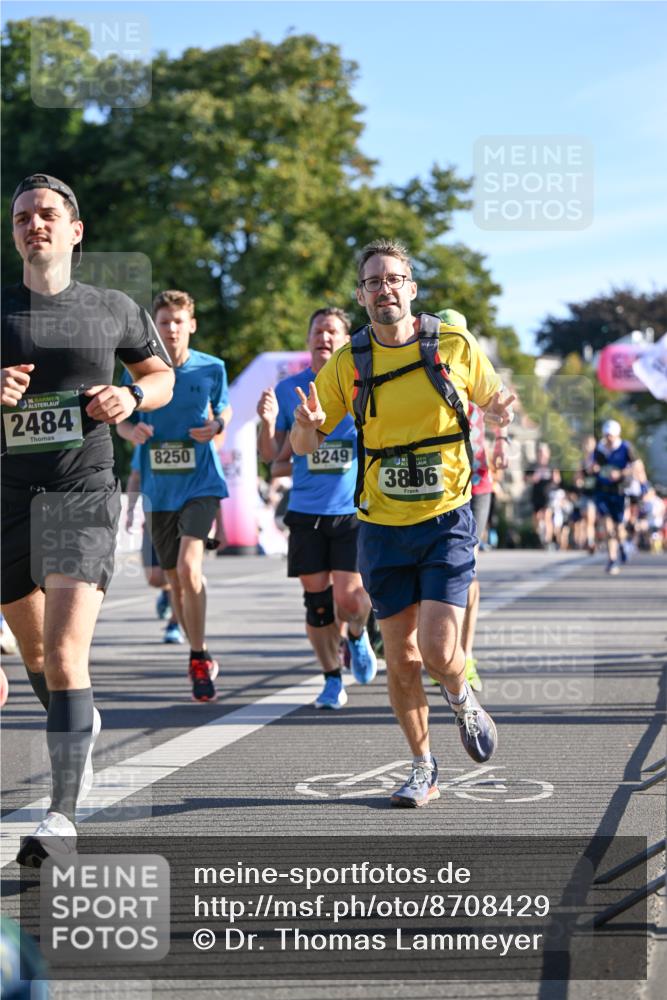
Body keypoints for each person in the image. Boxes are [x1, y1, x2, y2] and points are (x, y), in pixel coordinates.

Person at [290, 239, 514, 806]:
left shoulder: (455, 344)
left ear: (411, 289)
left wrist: (503, 420)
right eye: (372, 282)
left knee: (439, 653)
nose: (383, 289)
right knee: (401, 658)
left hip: (446, 518)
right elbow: (305, 443)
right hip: (382, 527)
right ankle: (423, 766)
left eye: (393, 279)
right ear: (362, 296)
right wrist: (307, 425)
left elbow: (495, 403)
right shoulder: (349, 362)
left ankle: (463, 698)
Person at [2, 173, 174, 866]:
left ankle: (61, 816)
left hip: (83, 491)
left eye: (46, 214)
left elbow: (160, 378)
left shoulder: (110, 307)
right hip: (8, 499)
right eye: (21, 218)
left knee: (68, 654)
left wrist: (130, 398)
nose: (33, 224)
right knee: (40, 655)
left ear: (75, 230)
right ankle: (79, 726)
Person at [257, 307, 377, 710]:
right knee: (318, 604)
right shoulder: (291, 388)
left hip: (351, 511)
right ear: (308, 339)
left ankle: (358, 636)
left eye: (333, 332)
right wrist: (266, 422)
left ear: (345, 341)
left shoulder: (360, 388)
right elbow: (273, 458)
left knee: (349, 600)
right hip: (306, 512)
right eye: (318, 331)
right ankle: (330, 678)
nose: (324, 338)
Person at [117, 289, 231, 701]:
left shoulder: (212, 368)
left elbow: (225, 410)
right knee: (171, 580)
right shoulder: (139, 372)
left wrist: (217, 426)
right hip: (159, 489)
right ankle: (197, 648)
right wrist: (134, 431)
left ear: (191, 325)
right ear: (155, 327)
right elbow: (121, 424)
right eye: (163, 322)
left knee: (187, 567)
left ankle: (198, 656)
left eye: (177, 322)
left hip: (201, 484)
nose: (171, 329)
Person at [436, 309, 509, 693]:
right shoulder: (426, 367)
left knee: (469, 570)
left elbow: (502, 413)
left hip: (478, 483)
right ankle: (438, 649)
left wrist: (503, 445)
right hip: (440, 486)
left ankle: (465, 655)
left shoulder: (474, 366)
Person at [125, 447, 185, 644]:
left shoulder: (193, 433)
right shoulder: (146, 441)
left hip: (185, 514)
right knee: (155, 577)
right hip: (155, 515)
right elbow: (136, 476)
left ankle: (174, 625)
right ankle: (168, 592)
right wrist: (131, 509)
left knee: (180, 574)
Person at [587, 419, 638, 575]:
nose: (609, 439)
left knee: (619, 527)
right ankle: (612, 559)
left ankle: (622, 544)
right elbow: (591, 467)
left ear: (617, 435)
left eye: (611, 436)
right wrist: (593, 468)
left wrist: (621, 473)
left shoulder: (625, 448)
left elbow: (636, 466)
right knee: (607, 526)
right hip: (602, 491)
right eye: (607, 435)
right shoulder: (599, 449)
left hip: (619, 491)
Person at [527, 443, 561, 548]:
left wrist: (555, 479)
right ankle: (539, 536)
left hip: (548, 495)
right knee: (536, 517)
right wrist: (532, 478)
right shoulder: (533, 466)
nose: (542, 455)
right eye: (540, 452)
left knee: (547, 516)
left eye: (544, 452)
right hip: (536, 495)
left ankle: (547, 540)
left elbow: (558, 480)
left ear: (548, 454)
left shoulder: (551, 466)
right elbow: (526, 478)